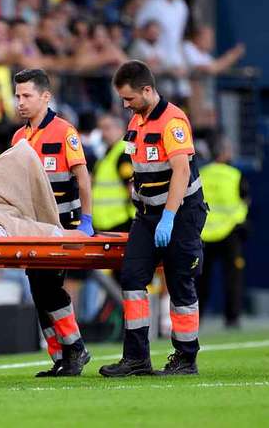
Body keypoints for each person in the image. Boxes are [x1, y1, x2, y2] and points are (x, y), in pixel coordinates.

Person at [100, 60, 207, 377]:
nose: (125, 104)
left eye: (129, 98)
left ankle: (186, 358)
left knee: (179, 285)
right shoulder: (136, 121)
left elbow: (182, 170)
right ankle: (136, 358)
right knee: (132, 280)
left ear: (147, 90)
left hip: (181, 214)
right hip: (146, 216)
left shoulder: (173, 121)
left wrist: (169, 217)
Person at [9, 69, 92, 377]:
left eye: (26, 95)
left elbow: (82, 177)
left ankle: (75, 348)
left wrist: (86, 220)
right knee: (39, 289)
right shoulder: (19, 137)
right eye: (18, 95)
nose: (20, 102)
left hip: (61, 226)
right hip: (32, 226)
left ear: (45, 97)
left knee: (48, 287)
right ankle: (61, 356)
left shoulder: (64, 131)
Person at [198, 135, 249, 328]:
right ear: (226, 153)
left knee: (201, 280)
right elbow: (244, 200)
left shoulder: (203, 173)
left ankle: (197, 317)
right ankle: (232, 318)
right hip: (230, 232)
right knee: (233, 278)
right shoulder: (235, 174)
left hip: (204, 233)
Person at [93, 114, 135, 233]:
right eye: (100, 128)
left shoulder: (125, 152)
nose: (103, 133)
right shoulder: (108, 152)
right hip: (107, 223)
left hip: (121, 221)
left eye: (107, 128)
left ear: (120, 129)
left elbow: (132, 188)